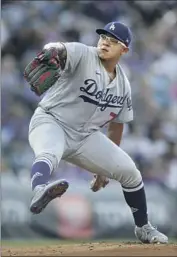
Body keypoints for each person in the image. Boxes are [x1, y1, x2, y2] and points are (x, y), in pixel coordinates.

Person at [24, 21, 168, 244]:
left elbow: (117, 125)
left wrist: (104, 171)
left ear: (125, 50)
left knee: (131, 173)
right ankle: (39, 189)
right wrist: (52, 50)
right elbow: (60, 48)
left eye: (112, 41)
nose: (105, 43)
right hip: (51, 121)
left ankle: (144, 227)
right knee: (49, 152)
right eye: (103, 38)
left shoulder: (123, 85)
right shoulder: (83, 54)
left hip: (84, 137)